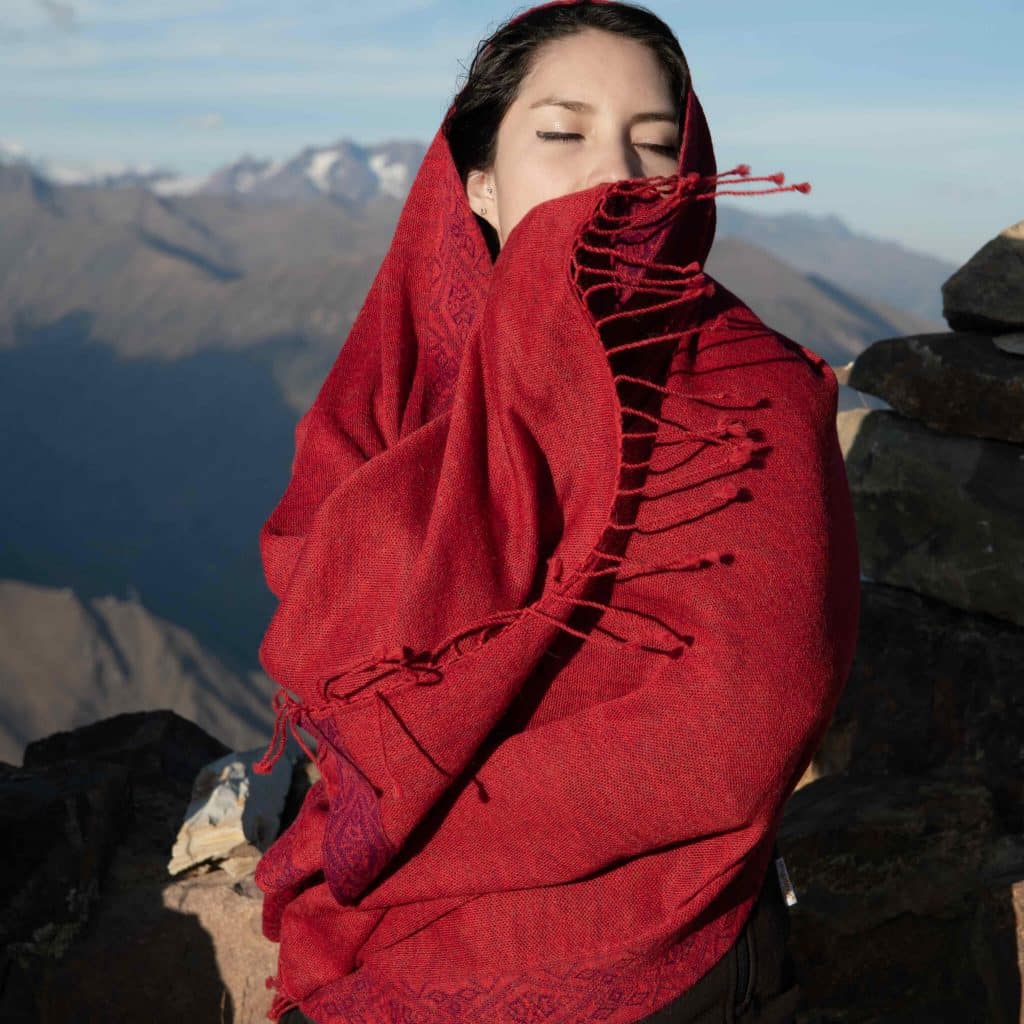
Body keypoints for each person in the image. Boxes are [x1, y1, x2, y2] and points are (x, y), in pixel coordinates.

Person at [253, 2, 861, 1023]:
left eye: (654, 143)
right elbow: (323, 596)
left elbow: (742, 721)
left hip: (651, 944)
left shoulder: (747, 397)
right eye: (563, 132)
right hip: (399, 913)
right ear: (478, 183)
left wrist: (399, 844)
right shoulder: (412, 392)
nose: (614, 174)